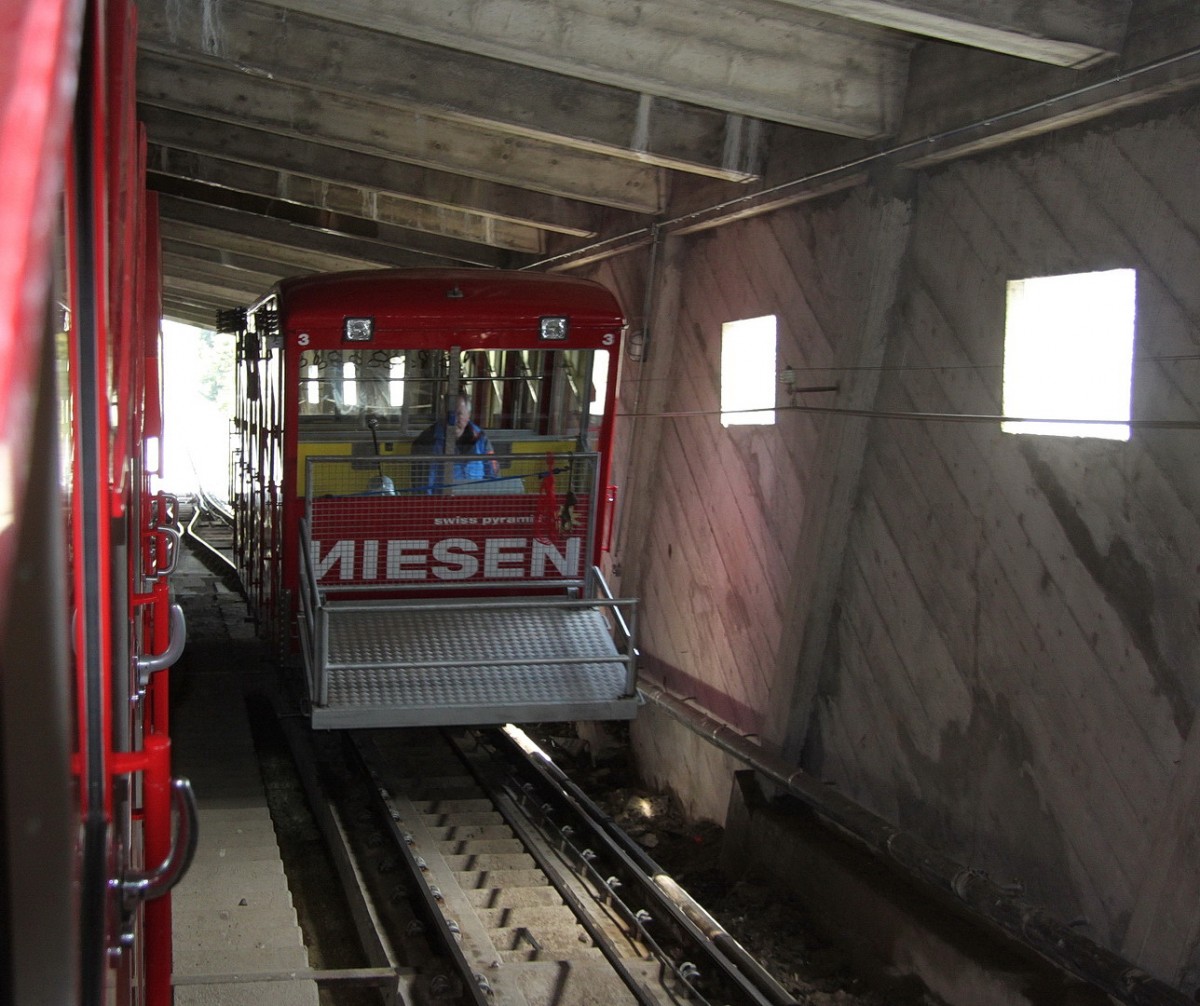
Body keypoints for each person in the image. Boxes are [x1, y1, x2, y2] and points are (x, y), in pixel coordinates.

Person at [414, 392, 500, 489]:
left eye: (459, 414)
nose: (453, 420)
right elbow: (423, 485)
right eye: (449, 414)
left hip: (476, 496)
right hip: (442, 498)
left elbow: (493, 474)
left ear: (468, 415)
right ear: (442, 414)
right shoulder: (427, 440)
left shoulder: (481, 438)